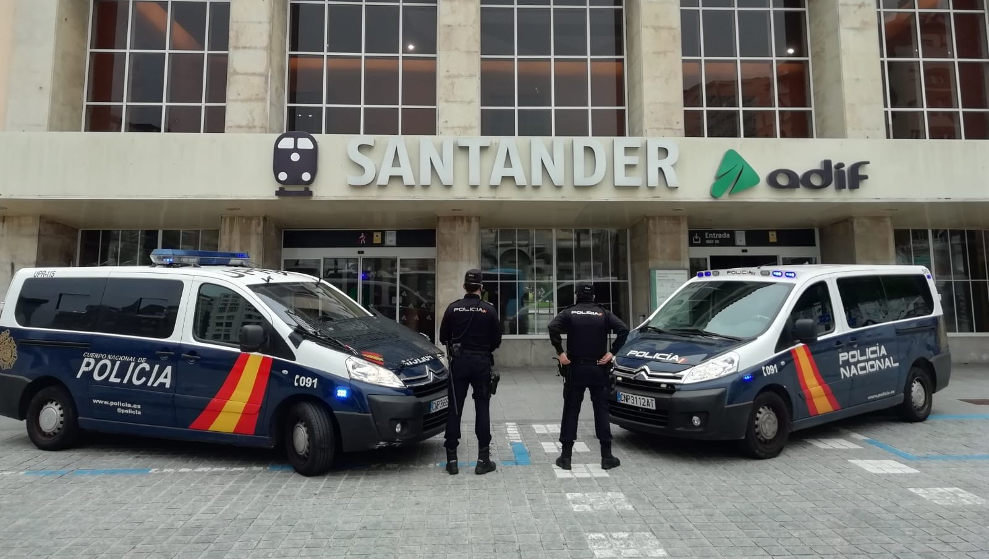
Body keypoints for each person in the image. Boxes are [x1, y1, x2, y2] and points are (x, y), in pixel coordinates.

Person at [548, 283, 629, 471]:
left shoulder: (569, 313)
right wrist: (612, 353)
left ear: (576, 295)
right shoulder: (603, 313)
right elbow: (623, 329)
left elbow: (553, 327)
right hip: (598, 368)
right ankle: (606, 456)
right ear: (593, 297)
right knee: (601, 410)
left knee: (571, 410)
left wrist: (560, 352)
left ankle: (566, 457)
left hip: (575, 368)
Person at [439, 269, 503, 475]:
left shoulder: (453, 308)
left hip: (459, 362)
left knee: (454, 409)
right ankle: (483, 459)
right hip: (481, 362)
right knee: (482, 408)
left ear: (464, 286)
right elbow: (496, 341)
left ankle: (452, 460)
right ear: (481, 288)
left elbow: (443, 337)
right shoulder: (489, 310)